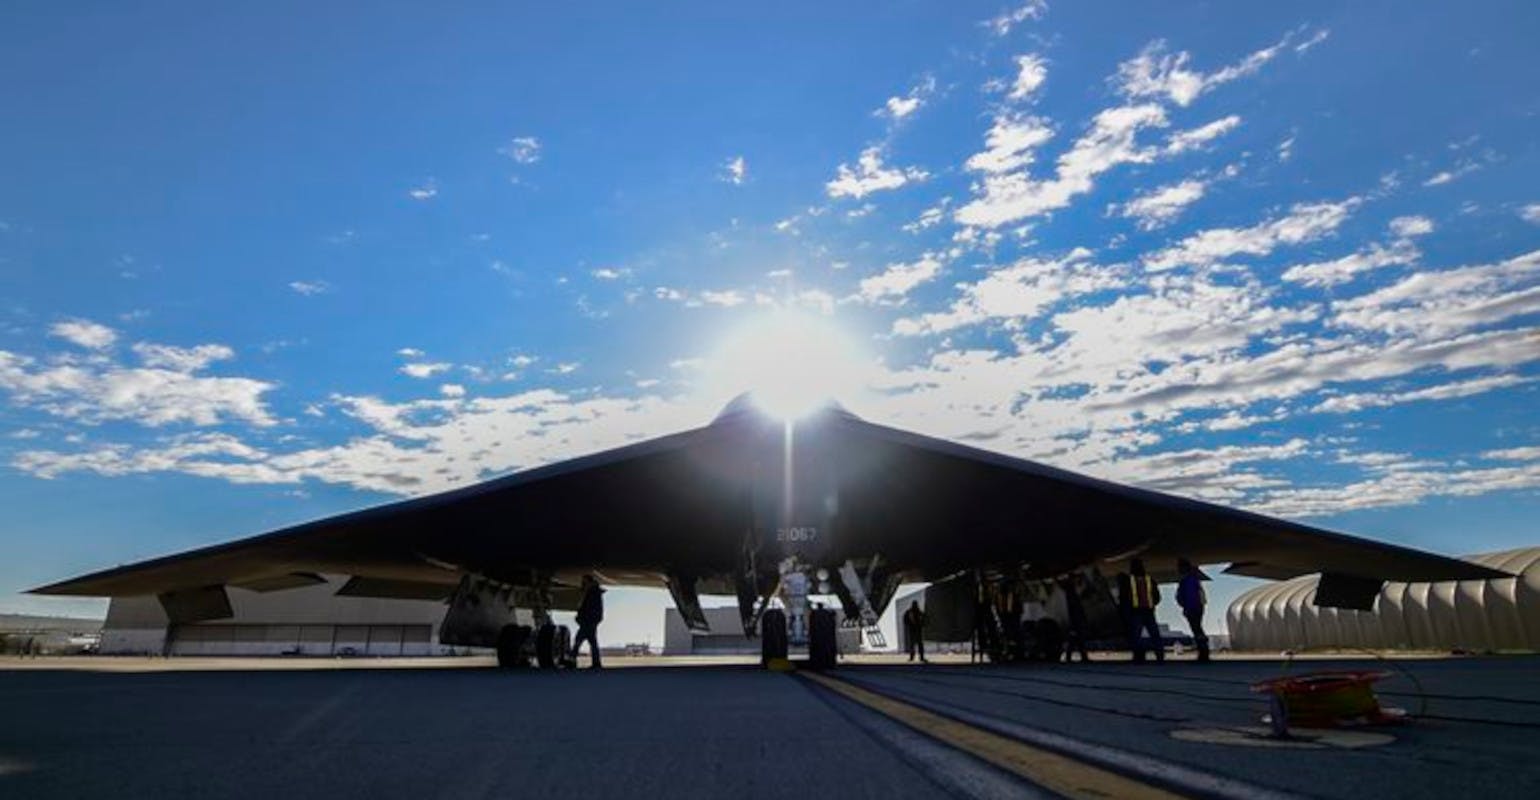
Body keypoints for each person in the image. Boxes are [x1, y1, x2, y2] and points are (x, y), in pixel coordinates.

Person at [1124, 559, 1164, 663]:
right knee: (1154, 634)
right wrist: (1152, 605)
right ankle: (1160, 656)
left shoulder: (1129, 581)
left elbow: (1125, 598)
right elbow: (1157, 596)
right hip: (1148, 611)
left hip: (1137, 612)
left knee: (1136, 635)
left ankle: (1138, 656)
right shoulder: (1149, 579)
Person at [1176, 559, 1210, 662]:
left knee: (1197, 629)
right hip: (1196, 607)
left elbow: (1190, 596)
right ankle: (1203, 651)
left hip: (1193, 608)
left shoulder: (1188, 580)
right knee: (1198, 629)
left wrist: (1187, 608)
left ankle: (1203, 653)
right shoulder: (1193, 579)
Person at [570, 575, 605, 668]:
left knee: (579, 640)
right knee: (591, 642)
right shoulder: (592, 592)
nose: (583, 583)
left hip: (588, 621)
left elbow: (589, 608)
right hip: (589, 621)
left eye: (584, 581)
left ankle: (572, 659)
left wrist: (582, 618)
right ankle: (596, 663)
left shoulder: (592, 593)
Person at [1058, 575, 1091, 663]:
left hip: (1075, 621)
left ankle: (1073, 656)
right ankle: (1080, 656)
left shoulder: (1069, 596)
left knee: (1075, 640)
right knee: (1077, 640)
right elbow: (1075, 610)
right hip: (1076, 621)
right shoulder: (1072, 597)